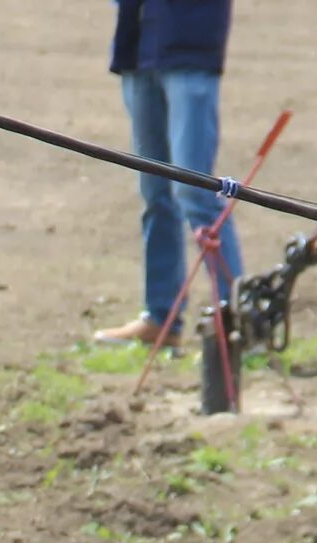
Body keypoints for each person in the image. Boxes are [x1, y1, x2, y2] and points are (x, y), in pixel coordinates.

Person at [94, 0, 242, 347]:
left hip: (190, 47)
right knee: (155, 192)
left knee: (195, 191)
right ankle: (161, 318)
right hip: (138, 46)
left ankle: (237, 322)